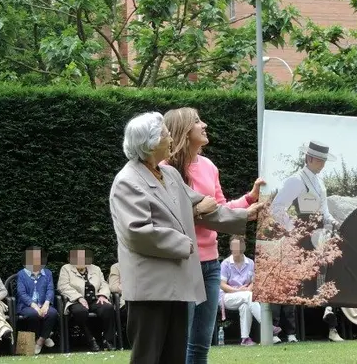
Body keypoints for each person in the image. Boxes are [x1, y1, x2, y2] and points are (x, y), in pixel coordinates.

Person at [110, 112, 263, 364]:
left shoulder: (169, 175)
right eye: (165, 134)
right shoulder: (127, 181)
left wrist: (244, 215)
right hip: (150, 289)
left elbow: (206, 211)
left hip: (177, 285)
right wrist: (184, 242)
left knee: (175, 356)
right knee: (148, 357)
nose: (171, 138)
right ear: (150, 143)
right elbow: (137, 232)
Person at [163, 107, 264, 363]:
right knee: (179, 341)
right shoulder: (164, 169)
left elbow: (219, 209)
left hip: (210, 265)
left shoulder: (209, 166)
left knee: (200, 344)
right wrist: (198, 210)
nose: (204, 124)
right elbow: (168, 214)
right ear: (184, 131)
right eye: (197, 121)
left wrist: (248, 200)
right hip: (181, 262)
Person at [269, 140, 341, 339]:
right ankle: (283, 327)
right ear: (309, 158)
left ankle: (330, 309)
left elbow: (324, 212)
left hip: (319, 233)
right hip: (301, 236)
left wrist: (334, 221)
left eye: (325, 161)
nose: (323, 164)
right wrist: (294, 229)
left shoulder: (320, 182)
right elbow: (276, 208)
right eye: (320, 160)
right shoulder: (295, 180)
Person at [219, 235, 281, 346]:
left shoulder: (250, 263)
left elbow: (254, 282)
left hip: (245, 295)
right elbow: (222, 285)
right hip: (227, 297)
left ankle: (245, 339)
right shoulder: (225, 264)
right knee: (248, 296)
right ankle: (268, 326)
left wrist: (248, 289)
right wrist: (238, 291)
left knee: (246, 305)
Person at [57, 248, 116, 351]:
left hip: (95, 299)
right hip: (75, 300)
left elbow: (104, 284)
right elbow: (63, 286)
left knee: (108, 308)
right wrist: (78, 297)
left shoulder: (96, 269)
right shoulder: (66, 269)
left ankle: (108, 340)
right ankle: (90, 340)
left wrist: (103, 295)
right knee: (80, 311)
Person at [15, 247, 59, 355]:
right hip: (27, 306)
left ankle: (40, 341)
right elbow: (22, 293)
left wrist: (47, 304)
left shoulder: (47, 273)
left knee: (52, 313)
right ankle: (46, 336)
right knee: (33, 314)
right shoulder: (21, 274)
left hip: (44, 304)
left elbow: (50, 289)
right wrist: (35, 306)